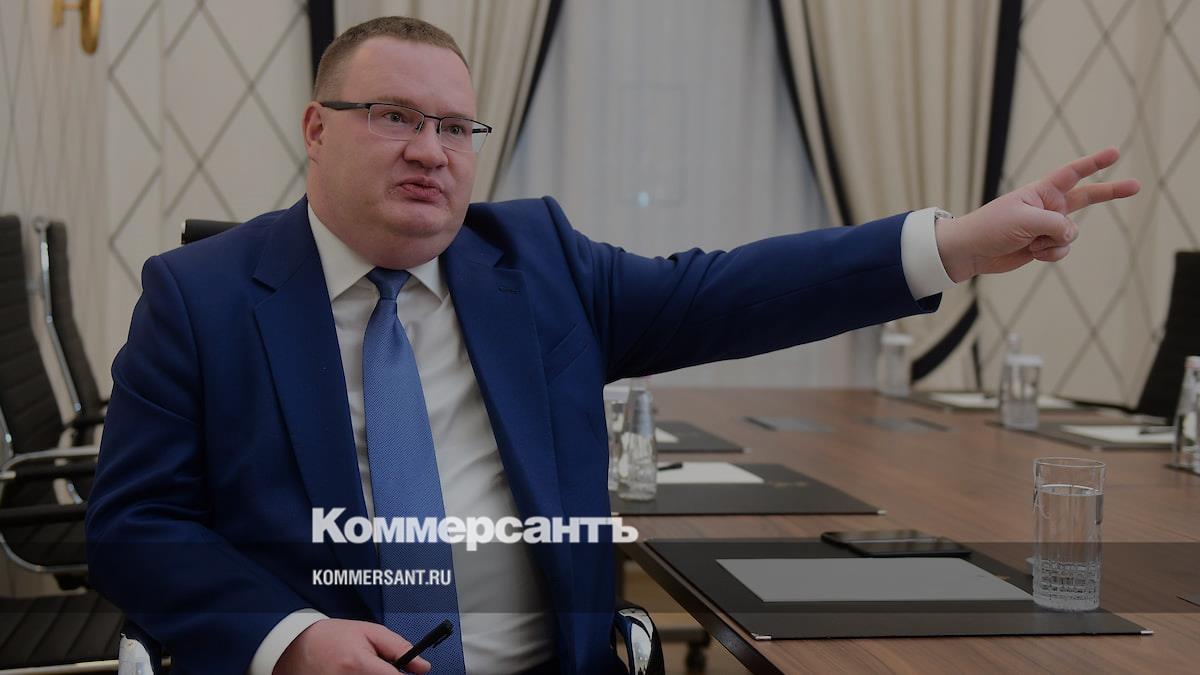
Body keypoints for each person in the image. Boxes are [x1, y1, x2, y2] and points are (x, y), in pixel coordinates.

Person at [84, 16, 1139, 675]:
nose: (431, 152)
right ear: (317, 129)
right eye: (395, 116)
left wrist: (954, 243)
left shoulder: (536, 263)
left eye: (455, 128)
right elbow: (135, 526)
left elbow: (730, 291)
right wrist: (289, 640)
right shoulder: (201, 296)